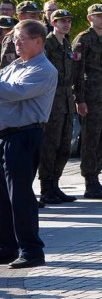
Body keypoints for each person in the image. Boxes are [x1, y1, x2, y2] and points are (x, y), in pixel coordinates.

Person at [0, 20, 57, 268]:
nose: (16, 42)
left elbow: (15, 92)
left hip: (23, 136)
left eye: (21, 38)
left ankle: (32, 250)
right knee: (3, 196)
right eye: (14, 38)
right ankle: (7, 247)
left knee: (20, 195)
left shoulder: (44, 69)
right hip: (5, 135)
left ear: (38, 41)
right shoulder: (14, 65)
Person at [72, 4, 102, 199]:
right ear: (89, 18)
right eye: (98, 16)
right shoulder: (83, 40)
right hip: (90, 97)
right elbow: (77, 72)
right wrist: (79, 99)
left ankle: (97, 178)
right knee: (90, 140)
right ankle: (89, 181)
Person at [38, 10, 79, 204]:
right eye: (62, 21)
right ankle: (46, 188)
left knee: (64, 146)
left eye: (68, 21)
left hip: (66, 101)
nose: (66, 24)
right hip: (52, 100)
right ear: (53, 23)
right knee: (50, 145)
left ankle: (55, 184)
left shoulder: (66, 43)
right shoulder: (48, 43)